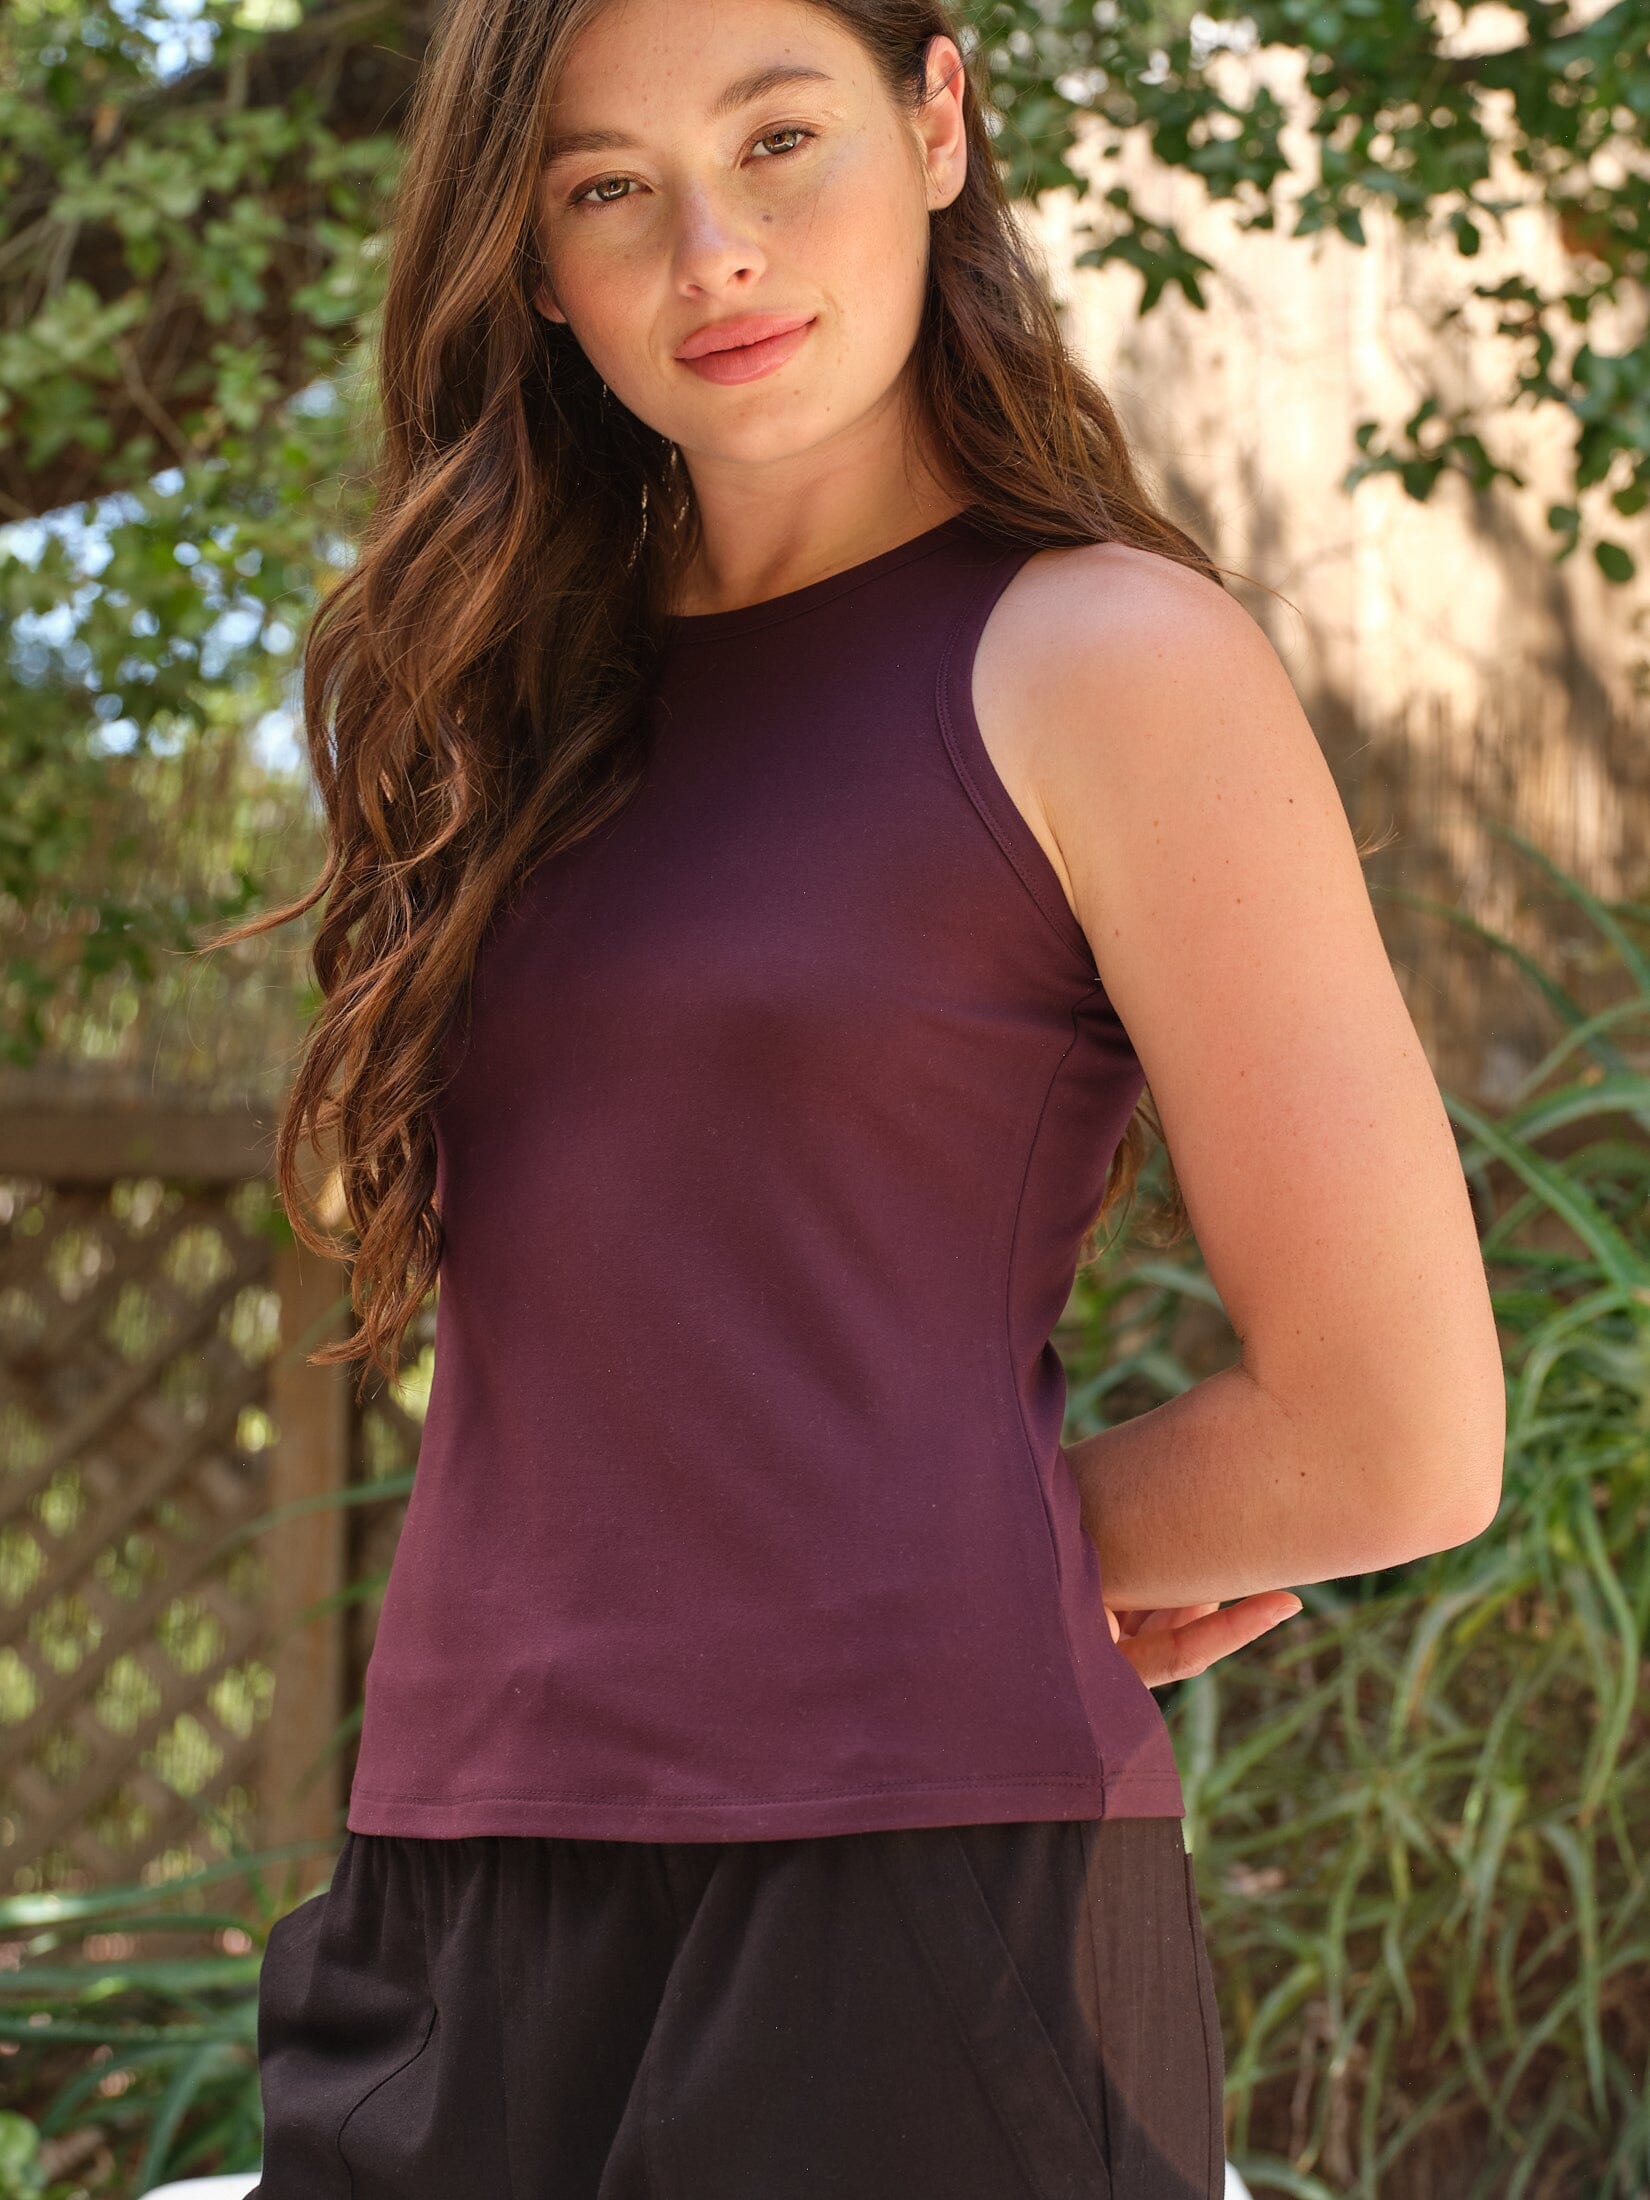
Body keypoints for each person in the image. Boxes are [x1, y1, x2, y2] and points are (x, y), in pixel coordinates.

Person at [227, 0, 1508, 2192]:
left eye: (779, 137)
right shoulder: (499, 713)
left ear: (935, 121)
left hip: (908, 1893)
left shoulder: (1111, 661)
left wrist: (991, 1551)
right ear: (534, 266)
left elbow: (1396, 1432)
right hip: (451, 1879)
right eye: (607, 186)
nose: (711, 251)